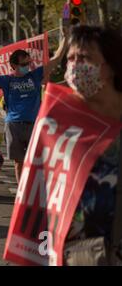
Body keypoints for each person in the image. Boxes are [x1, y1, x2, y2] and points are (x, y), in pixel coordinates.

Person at [0, 28, 69, 183]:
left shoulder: (35, 75)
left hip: (34, 124)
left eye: (29, 63)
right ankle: (20, 192)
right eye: (23, 64)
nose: (27, 66)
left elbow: (57, 59)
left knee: (36, 161)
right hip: (14, 126)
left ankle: (34, 191)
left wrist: (65, 39)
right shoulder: (7, 80)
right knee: (18, 162)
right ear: (13, 65)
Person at [60, 26, 122, 265]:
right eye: (70, 58)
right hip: (79, 253)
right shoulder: (60, 120)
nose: (75, 66)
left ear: (111, 65)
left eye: (84, 57)